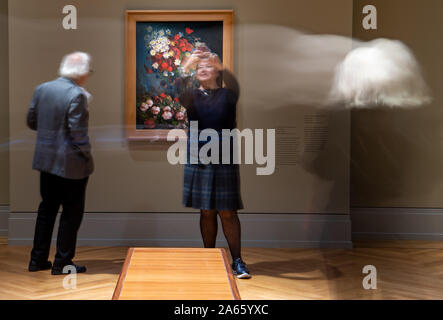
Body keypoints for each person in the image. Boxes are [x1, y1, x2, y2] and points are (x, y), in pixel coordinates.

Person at [179, 49, 251, 279]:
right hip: (198, 157)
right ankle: (208, 258)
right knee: (206, 211)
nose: (202, 68)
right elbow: (177, 88)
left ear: (217, 72)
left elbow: (235, 84)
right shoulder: (191, 96)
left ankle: (237, 261)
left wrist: (220, 65)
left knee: (227, 212)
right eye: (199, 67)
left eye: (207, 66)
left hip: (224, 158)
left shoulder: (228, 95)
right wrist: (188, 63)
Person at [26, 52, 94, 275]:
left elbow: (31, 121)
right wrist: (88, 157)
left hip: (46, 162)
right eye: (88, 71)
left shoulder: (42, 88)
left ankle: (37, 260)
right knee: (71, 214)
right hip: (71, 165)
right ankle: (62, 262)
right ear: (82, 72)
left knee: (46, 210)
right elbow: (78, 134)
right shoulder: (77, 94)